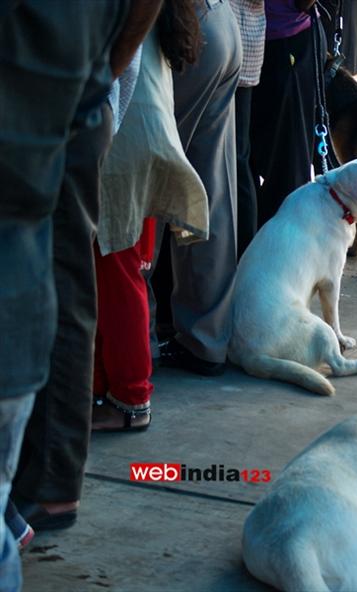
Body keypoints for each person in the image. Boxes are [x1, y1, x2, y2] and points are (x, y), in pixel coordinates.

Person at [0, 1, 160, 586]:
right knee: (68, 274)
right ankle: (46, 480)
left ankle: (49, 481)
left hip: (62, 99)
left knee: (69, 274)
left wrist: (99, 74)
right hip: (76, 93)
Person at [93, 1, 211, 431]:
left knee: (116, 275)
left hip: (121, 144)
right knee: (123, 274)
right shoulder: (161, 16)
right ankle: (113, 390)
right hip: (143, 141)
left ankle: (129, 399)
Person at [155, 0, 242, 377]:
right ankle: (206, 340)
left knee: (144, 185)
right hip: (219, 22)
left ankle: (132, 351)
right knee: (210, 190)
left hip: (183, 27)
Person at [249, 0, 322, 227]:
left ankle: (281, 250)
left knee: (287, 167)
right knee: (245, 158)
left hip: (286, 40)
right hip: (253, 40)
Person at [229, 0, 266, 257]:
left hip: (236, 43)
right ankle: (244, 254)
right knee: (239, 161)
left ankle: (243, 255)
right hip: (243, 44)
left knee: (236, 161)